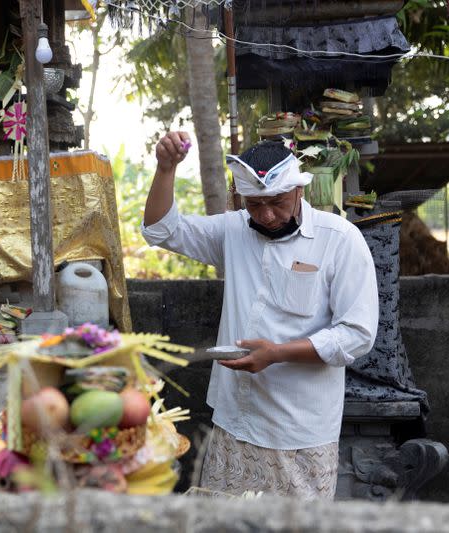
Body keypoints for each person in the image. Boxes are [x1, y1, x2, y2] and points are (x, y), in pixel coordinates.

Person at [141, 132, 378, 500]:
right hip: (236, 421)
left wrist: (277, 353)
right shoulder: (234, 231)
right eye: (253, 205)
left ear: (300, 190)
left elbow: (357, 334)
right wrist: (166, 168)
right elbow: (160, 230)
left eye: (278, 203)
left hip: (300, 434)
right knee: (224, 525)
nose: (266, 215)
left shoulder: (340, 240)